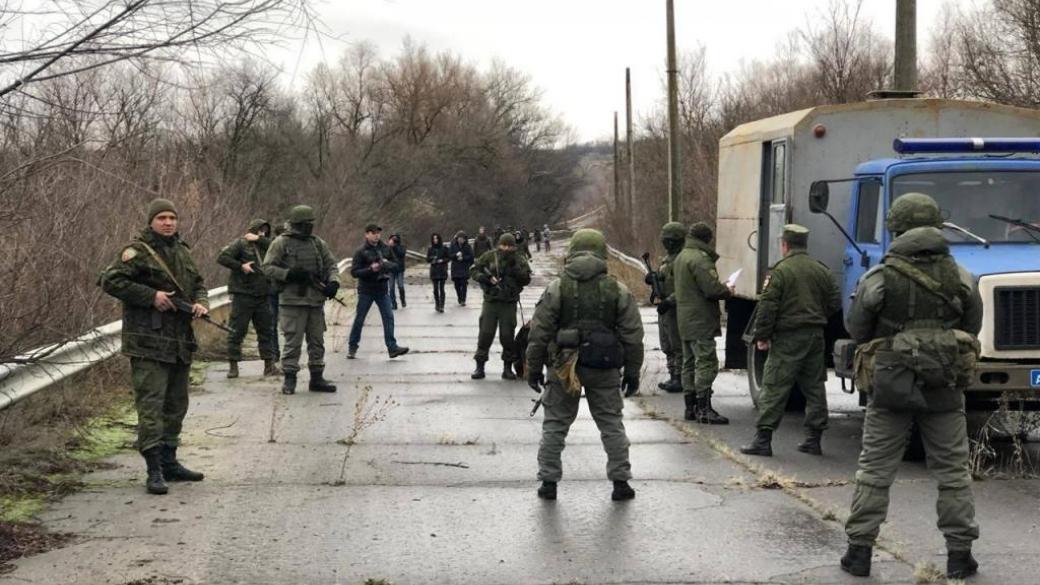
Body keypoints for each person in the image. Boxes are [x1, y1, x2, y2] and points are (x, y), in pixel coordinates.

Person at [840, 193, 982, 580]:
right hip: (944, 384)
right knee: (953, 473)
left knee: (875, 469)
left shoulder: (879, 278)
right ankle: (960, 556)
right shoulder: (962, 276)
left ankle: (859, 553)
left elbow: (857, 329)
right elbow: (971, 328)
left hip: (891, 384)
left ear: (897, 228)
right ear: (936, 226)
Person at [98, 198, 208, 495]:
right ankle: (154, 469)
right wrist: (151, 296)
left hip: (180, 341)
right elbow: (109, 280)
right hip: (148, 342)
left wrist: (200, 303)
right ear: (151, 221)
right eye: (162, 218)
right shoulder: (136, 252)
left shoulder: (182, 251)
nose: (168, 223)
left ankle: (170, 462)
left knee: (176, 405)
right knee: (151, 406)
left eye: (172, 217)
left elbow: (198, 283)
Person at [526, 228, 644, 501]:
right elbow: (633, 336)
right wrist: (633, 371)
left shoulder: (557, 288)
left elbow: (539, 333)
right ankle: (621, 483)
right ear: (602, 253)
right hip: (604, 366)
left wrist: (533, 368)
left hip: (564, 366)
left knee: (555, 424)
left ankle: (548, 483)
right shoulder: (618, 290)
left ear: (572, 253)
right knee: (611, 423)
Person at [740, 224, 842, 457]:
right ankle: (813, 439)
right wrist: (816, 316)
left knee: (774, 385)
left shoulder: (780, 271)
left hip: (788, 337)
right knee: (815, 387)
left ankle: (763, 439)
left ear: (785, 245)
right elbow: (835, 302)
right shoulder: (821, 270)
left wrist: (762, 336)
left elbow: (767, 307)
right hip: (815, 336)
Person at [262, 205, 340, 395]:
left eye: (311, 224)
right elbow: (267, 268)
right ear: (298, 224)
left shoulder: (317, 243)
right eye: (306, 224)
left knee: (317, 341)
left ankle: (317, 378)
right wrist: (289, 274)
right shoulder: (281, 243)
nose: (309, 227)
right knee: (292, 343)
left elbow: (331, 265)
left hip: (315, 301)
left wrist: (333, 282)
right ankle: (290, 379)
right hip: (292, 302)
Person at [674, 222, 734, 424]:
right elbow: (711, 289)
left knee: (689, 363)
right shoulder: (700, 259)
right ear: (707, 239)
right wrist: (727, 290)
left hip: (685, 320)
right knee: (706, 363)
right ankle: (704, 409)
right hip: (700, 320)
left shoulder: (681, 256)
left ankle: (690, 407)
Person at [217, 219, 279, 379]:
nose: (262, 233)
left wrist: (259, 239)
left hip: (263, 295)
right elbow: (222, 257)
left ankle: (269, 365)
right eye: (260, 230)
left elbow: (278, 247)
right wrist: (240, 266)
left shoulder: (269, 246)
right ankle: (233, 366)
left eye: (265, 230)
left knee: (266, 331)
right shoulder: (241, 244)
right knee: (236, 331)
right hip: (243, 294)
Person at [470, 233, 532, 380]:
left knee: (507, 336)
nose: (506, 248)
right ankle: (480, 366)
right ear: (499, 245)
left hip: (509, 303)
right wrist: (485, 278)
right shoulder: (490, 256)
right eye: (504, 245)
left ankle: (507, 368)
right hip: (491, 301)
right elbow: (474, 270)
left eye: (510, 246)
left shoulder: (519, 259)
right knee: (485, 334)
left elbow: (526, 279)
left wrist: (516, 271)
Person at [347, 224, 410, 359]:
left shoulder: (386, 249)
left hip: (382, 290)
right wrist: (370, 269)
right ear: (367, 234)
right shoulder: (361, 251)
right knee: (360, 319)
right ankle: (352, 346)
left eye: (378, 233)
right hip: (366, 290)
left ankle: (392, 348)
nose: (376, 235)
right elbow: (354, 272)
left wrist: (386, 265)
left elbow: (397, 265)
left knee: (389, 317)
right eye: (373, 233)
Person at [648, 222, 686, 393]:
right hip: (665, 307)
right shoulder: (668, 259)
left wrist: (670, 301)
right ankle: (673, 375)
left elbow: (686, 288)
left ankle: (680, 377)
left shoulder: (682, 260)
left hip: (676, 308)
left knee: (677, 344)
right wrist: (653, 280)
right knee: (667, 344)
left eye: (668, 240)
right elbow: (663, 279)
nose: (665, 243)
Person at [268, 223, 287, 360]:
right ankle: (275, 352)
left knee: (274, 322)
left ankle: (275, 352)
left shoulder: (272, 246)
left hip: (277, 288)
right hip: (277, 289)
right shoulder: (273, 246)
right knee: (274, 322)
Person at [449, 230, 475, 305]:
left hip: (464, 267)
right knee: (457, 284)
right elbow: (450, 255)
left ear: (464, 239)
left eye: (462, 238)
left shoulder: (467, 246)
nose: (461, 240)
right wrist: (456, 255)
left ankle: (463, 300)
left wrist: (463, 258)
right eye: (459, 238)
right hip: (455, 268)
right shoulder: (453, 245)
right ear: (457, 238)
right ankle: (459, 297)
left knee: (464, 284)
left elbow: (471, 256)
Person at [427, 233, 449, 313]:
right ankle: (437, 303)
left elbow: (448, 258)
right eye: (434, 239)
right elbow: (427, 259)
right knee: (435, 289)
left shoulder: (444, 248)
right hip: (434, 271)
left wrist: (442, 260)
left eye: (436, 238)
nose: (435, 240)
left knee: (442, 288)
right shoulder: (430, 249)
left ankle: (442, 305)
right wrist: (432, 259)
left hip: (442, 270)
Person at [387, 233, 407, 309]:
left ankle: (403, 300)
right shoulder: (388, 248)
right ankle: (393, 304)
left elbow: (401, 254)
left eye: (395, 239)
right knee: (391, 288)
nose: (393, 240)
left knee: (400, 285)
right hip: (391, 269)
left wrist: (394, 246)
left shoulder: (402, 247)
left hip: (399, 269)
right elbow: (386, 256)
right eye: (392, 239)